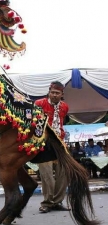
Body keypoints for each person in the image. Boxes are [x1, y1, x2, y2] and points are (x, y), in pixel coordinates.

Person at [34, 81, 70, 213]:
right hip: (44, 143)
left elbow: (61, 122)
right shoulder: (39, 104)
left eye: (57, 93)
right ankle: (47, 203)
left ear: (62, 94)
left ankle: (57, 202)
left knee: (64, 172)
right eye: (52, 92)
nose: (54, 95)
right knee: (47, 174)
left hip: (59, 143)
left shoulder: (65, 107)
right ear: (49, 91)